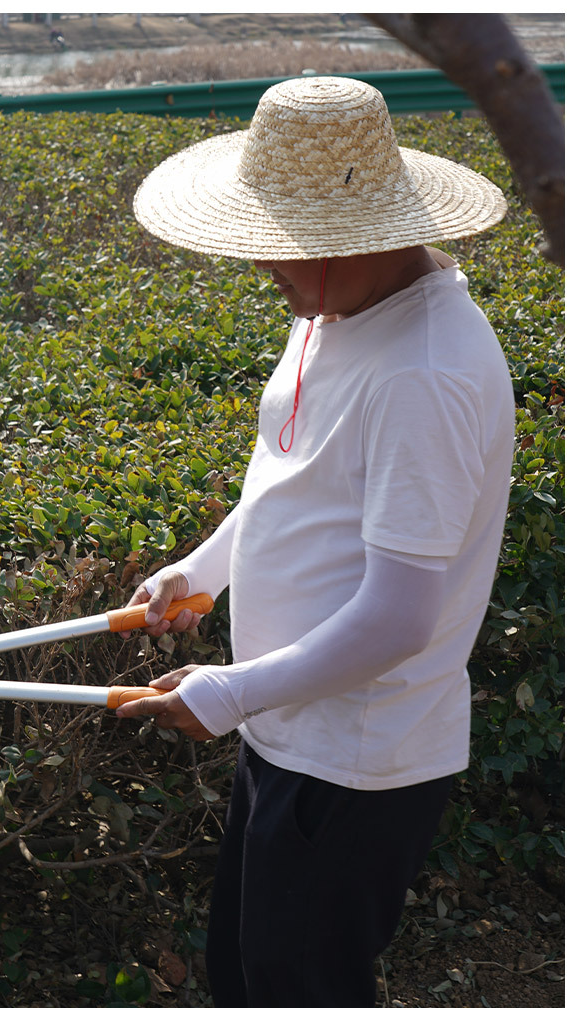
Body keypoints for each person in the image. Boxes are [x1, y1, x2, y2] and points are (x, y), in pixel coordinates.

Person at [115, 77, 515, 1007]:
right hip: (288, 724)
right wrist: (202, 568)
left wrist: (229, 690)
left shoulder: (425, 370)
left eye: (283, 245)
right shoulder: (333, 309)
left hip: (355, 758)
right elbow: (294, 475)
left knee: (303, 989)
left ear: (365, 228)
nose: (267, 268)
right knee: (247, 972)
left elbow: (399, 618)